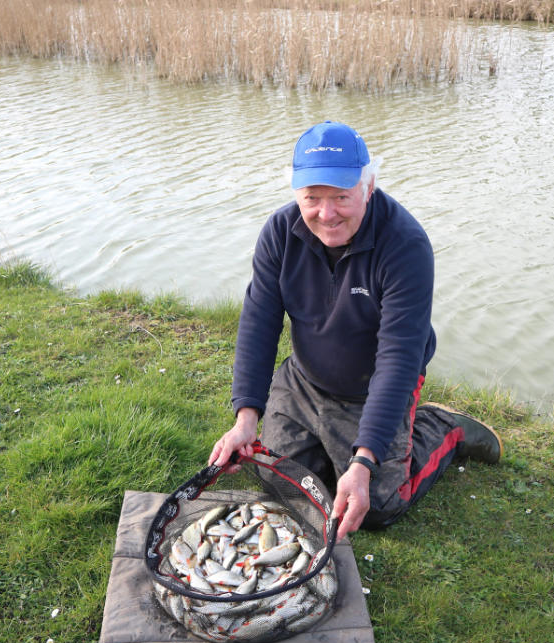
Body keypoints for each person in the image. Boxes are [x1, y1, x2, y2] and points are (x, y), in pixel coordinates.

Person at [208, 121, 502, 540]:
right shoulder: (279, 233)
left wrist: (363, 462)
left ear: (369, 186)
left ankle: (444, 428)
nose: (326, 214)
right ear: (296, 193)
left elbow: (399, 358)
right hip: (305, 379)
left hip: (376, 384)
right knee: (279, 482)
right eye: (312, 198)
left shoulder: (405, 245)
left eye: (341, 197)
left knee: (377, 506)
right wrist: (245, 419)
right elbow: (259, 323)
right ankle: (336, 441)